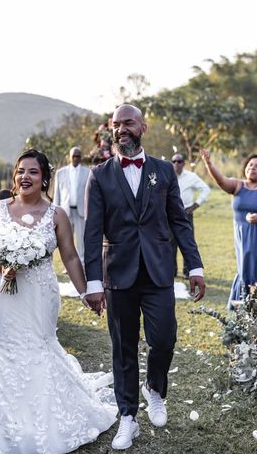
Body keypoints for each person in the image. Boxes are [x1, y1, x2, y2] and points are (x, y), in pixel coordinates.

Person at [0, 149, 116, 453]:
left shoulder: (56, 214)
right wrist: (4, 265)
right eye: (20, 171)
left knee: (40, 346)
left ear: (44, 178)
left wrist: (85, 292)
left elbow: (69, 255)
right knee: (5, 347)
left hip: (41, 292)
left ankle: (46, 419)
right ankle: (4, 421)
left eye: (33, 172)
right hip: (4, 290)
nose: (25, 177)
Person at [84, 104, 206, 450]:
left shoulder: (164, 171)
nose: (121, 129)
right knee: (123, 348)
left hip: (158, 270)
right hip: (118, 272)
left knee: (164, 339)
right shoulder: (100, 174)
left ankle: (154, 388)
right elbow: (92, 233)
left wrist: (194, 266)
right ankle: (128, 417)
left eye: (128, 123)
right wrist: (94, 283)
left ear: (143, 127)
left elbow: (179, 221)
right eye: (115, 125)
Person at [201, 150, 257, 308]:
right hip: (242, 240)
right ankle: (243, 309)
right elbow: (221, 181)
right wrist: (209, 164)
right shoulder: (238, 186)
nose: (252, 168)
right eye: (250, 165)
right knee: (244, 271)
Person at [170, 153, 210, 277]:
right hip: (169, 212)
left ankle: (188, 271)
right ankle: (172, 271)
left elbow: (205, 189)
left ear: (184, 163)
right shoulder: (167, 174)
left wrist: (195, 206)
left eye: (179, 161)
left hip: (185, 212)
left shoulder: (191, 176)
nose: (176, 163)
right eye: (174, 161)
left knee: (187, 241)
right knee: (170, 242)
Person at [53, 146, 91, 261]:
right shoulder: (60, 173)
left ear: (81, 157)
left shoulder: (88, 172)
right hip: (65, 212)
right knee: (66, 240)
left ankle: (82, 263)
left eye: (78, 156)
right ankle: (67, 263)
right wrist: (55, 212)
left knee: (81, 240)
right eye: (73, 156)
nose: (75, 158)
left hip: (81, 212)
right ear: (69, 157)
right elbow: (57, 194)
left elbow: (90, 194)